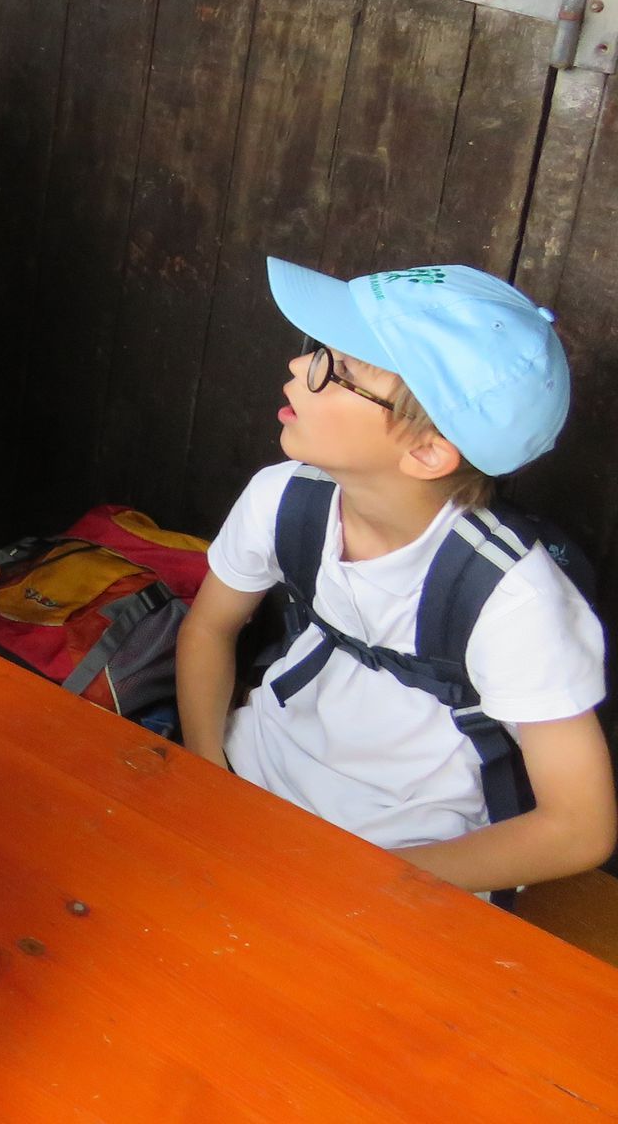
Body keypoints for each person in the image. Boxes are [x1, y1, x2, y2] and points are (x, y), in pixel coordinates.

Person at [176, 260, 614, 898]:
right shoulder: (283, 498)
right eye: (316, 349)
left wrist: (369, 883)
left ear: (427, 451)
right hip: (253, 778)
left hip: (409, 853)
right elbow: (209, 629)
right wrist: (205, 772)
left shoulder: (514, 600)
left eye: (338, 369)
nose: (298, 367)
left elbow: (579, 829)